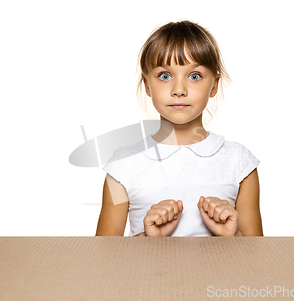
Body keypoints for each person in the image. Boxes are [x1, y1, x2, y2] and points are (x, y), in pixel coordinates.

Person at [95, 20, 263, 237]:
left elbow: (258, 257)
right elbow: (103, 257)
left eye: (195, 76)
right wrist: (147, 237)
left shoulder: (240, 162)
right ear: (147, 85)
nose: (179, 89)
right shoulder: (122, 166)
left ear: (214, 86)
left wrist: (232, 236)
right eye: (165, 76)